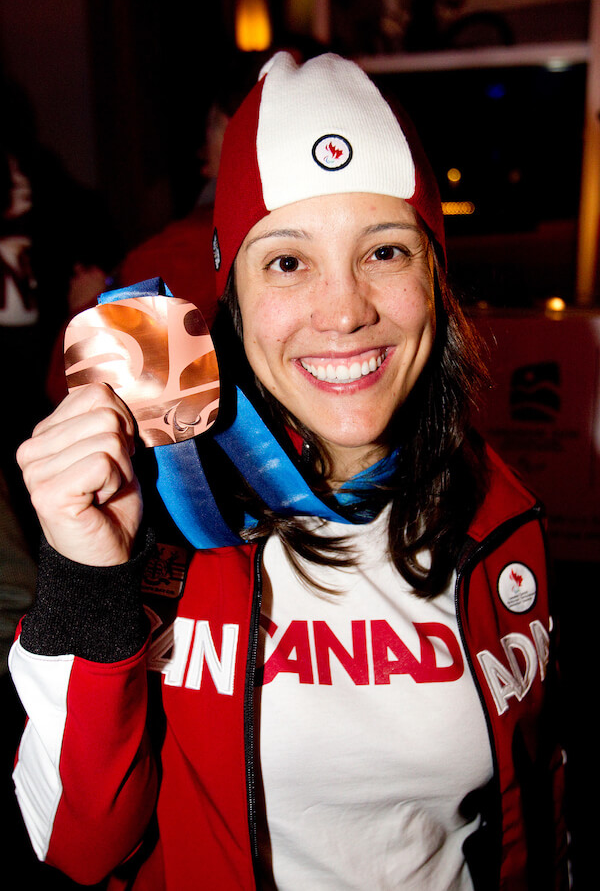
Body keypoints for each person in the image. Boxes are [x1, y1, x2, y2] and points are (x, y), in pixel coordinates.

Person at [9, 53, 567, 890]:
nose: (344, 310)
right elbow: (78, 846)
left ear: (436, 277)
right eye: (287, 261)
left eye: (385, 251)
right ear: (230, 294)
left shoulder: (499, 517)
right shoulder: (168, 524)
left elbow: (525, 815)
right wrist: (88, 572)